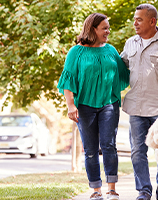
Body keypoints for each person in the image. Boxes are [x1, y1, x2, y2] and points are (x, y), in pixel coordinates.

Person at [57, 13, 130, 200]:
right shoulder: (76, 52)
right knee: (90, 150)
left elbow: (125, 73)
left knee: (109, 145)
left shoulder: (111, 50)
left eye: (108, 27)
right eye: (104, 28)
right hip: (85, 107)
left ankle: (111, 188)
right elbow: (68, 79)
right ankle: (96, 190)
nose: (108, 31)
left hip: (109, 104)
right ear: (93, 29)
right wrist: (70, 105)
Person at [120, 4, 158, 200]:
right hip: (136, 106)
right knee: (138, 151)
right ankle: (143, 191)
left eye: (139, 19)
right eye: (134, 19)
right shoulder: (130, 43)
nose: (135, 23)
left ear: (152, 21)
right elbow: (120, 66)